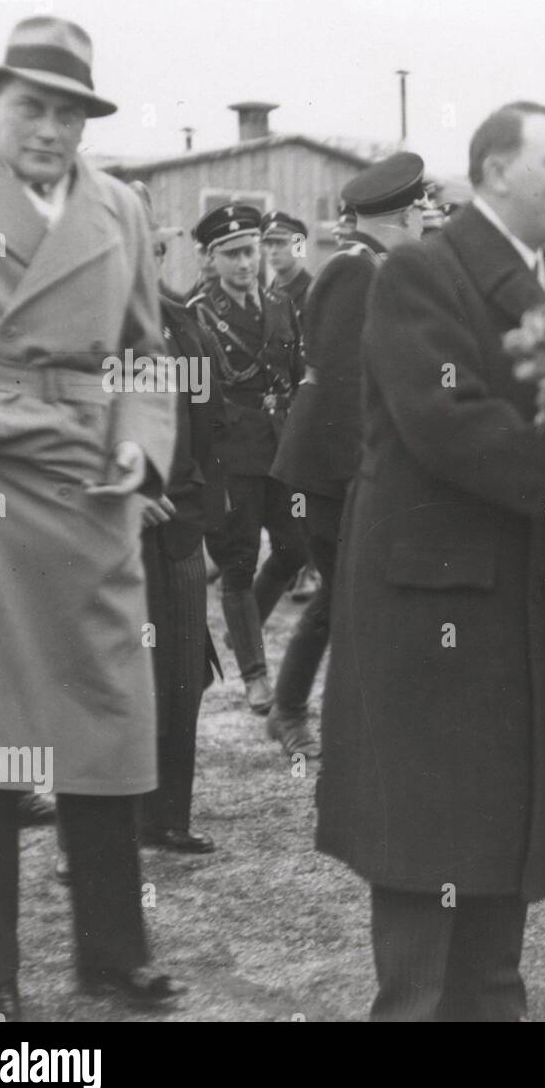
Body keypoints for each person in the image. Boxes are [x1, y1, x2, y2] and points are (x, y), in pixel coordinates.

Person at [316, 102, 545, 1021]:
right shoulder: (423, 273)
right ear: (495, 172)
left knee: (493, 919)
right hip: (437, 630)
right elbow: (450, 424)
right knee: (426, 944)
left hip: (510, 620)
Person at [0, 15, 185, 1021]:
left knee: (105, 721)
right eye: (31, 106)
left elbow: (147, 350)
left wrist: (143, 442)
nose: (49, 128)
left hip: (92, 487)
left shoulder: (121, 208)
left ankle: (111, 955)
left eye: (68, 112)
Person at [267, 151, 424, 760]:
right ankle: (301, 715)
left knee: (344, 595)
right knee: (348, 595)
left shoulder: (371, 265)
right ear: (402, 214)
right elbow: (341, 383)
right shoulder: (355, 270)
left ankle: (295, 712)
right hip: (330, 469)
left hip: (341, 466)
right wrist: (369, 469)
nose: (421, 224)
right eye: (419, 213)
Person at [129, 181, 228, 854]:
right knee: (112, 684)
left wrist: (204, 523)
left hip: (180, 532)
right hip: (109, 536)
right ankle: (95, 840)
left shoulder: (183, 326)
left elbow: (209, 429)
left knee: (183, 677)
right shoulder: (77, 335)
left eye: (148, 242)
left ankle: (169, 817)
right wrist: (123, 492)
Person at [189, 203, 306, 714]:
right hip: (231, 453)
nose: (244, 263)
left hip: (281, 447)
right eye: (232, 254)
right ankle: (255, 676)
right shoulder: (197, 316)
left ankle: (245, 630)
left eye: (250, 251)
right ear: (212, 258)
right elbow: (194, 397)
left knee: (294, 548)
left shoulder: (280, 304)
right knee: (237, 564)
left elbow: (298, 373)